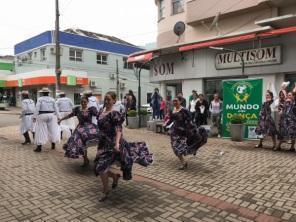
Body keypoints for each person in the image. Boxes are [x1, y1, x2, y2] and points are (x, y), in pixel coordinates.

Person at [94, 92, 153, 202]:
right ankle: (115, 177)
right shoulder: (101, 112)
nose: (106, 101)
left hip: (112, 144)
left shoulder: (114, 113)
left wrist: (117, 143)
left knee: (101, 167)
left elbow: (119, 129)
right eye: (105, 99)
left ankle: (106, 191)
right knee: (98, 166)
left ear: (114, 101)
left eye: (109, 99)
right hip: (102, 143)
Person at [164, 96, 208, 170]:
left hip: (183, 132)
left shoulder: (184, 110)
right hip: (174, 132)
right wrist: (166, 124)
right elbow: (171, 119)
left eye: (176, 101)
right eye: (173, 101)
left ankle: (194, 149)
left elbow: (190, 119)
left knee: (185, 146)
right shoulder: (172, 110)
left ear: (180, 101)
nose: (174, 102)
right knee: (175, 147)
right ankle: (183, 163)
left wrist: (191, 128)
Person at [58, 97, 100, 166]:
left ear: (87, 102)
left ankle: (100, 156)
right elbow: (69, 115)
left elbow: (98, 115)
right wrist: (61, 119)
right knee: (79, 140)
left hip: (90, 127)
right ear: (80, 102)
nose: (83, 103)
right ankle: (85, 159)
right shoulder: (77, 109)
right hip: (80, 128)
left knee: (101, 137)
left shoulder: (91, 109)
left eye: (85, 102)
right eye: (82, 102)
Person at [33, 87, 60, 152]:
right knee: (52, 130)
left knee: (40, 131)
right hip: (51, 115)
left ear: (42, 93)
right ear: (48, 93)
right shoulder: (52, 99)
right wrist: (59, 117)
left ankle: (39, 147)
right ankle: (53, 144)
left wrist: (34, 117)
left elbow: (37, 108)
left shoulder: (40, 99)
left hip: (42, 115)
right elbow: (56, 108)